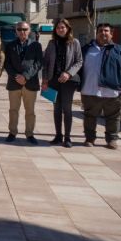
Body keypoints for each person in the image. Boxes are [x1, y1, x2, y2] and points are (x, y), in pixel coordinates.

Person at [79, 23, 121, 149]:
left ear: (112, 33)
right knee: (89, 116)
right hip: (89, 91)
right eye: (100, 30)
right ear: (96, 33)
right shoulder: (85, 49)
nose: (103, 33)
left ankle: (111, 140)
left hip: (113, 92)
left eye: (106, 31)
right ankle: (89, 139)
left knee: (113, 117)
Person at [41, 19, 82, 148]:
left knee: (67, 109)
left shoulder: (75, 43)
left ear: (68, 29)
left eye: (63, 27)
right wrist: (45, 80)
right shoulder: (52, 43)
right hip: (53, 81)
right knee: (56, 109)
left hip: (68, 81)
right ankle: (58, 135)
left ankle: (68, 137)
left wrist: (68, 73)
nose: (60, 29)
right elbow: (46, 63)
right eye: (58, 27)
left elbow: (79, 61)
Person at [4, 21, 43, 144]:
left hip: (30, 83)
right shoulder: (10, 45)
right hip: (14, 82)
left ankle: (29, 134)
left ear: (29, 30)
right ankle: (12, 132)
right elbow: (7, 64)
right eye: (19, 29)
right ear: (16, 31)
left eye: (25, 29)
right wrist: (16, 76)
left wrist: (25, 77)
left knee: (30, 111)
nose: (22, 32)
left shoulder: (36, 45)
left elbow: (38, 64)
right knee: (13, 110)